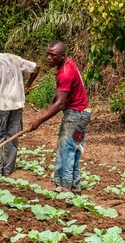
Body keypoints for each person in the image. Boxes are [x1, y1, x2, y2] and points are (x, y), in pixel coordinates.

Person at [29, 40, 91, 193]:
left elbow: (60, 104)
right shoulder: (66, 64)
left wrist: (40, 120)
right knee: (74, 150)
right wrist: (50, 106)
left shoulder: (65, 73)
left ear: (62, 55)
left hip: (75, 115)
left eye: (53, 55)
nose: (49, 58)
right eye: (48, 54)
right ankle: (75, 186)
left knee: (65, 150)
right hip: (82, 113)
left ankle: (64, 187)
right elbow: (58, 95)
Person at [0, 47, 40, 176]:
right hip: (17, 103)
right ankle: (8, 169)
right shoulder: (13, 58)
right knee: (12, 136)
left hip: (1, 104)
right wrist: (28, 84)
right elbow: (36, 68)